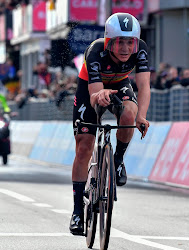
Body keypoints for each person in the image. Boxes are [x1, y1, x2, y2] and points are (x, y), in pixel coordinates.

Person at [70, 12, 150, 235]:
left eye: (129, 42)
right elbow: (95, 94)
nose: (125, 48)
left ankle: (118, 160)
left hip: (120, 83)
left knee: (128, 115)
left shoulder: (141, 48)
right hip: (91, 88)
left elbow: (143, 87)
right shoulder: (95, 50)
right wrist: (100, 94)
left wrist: (141, 116)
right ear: (109, 42)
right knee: (84, 146)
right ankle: (77, 211)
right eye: (120, 42)